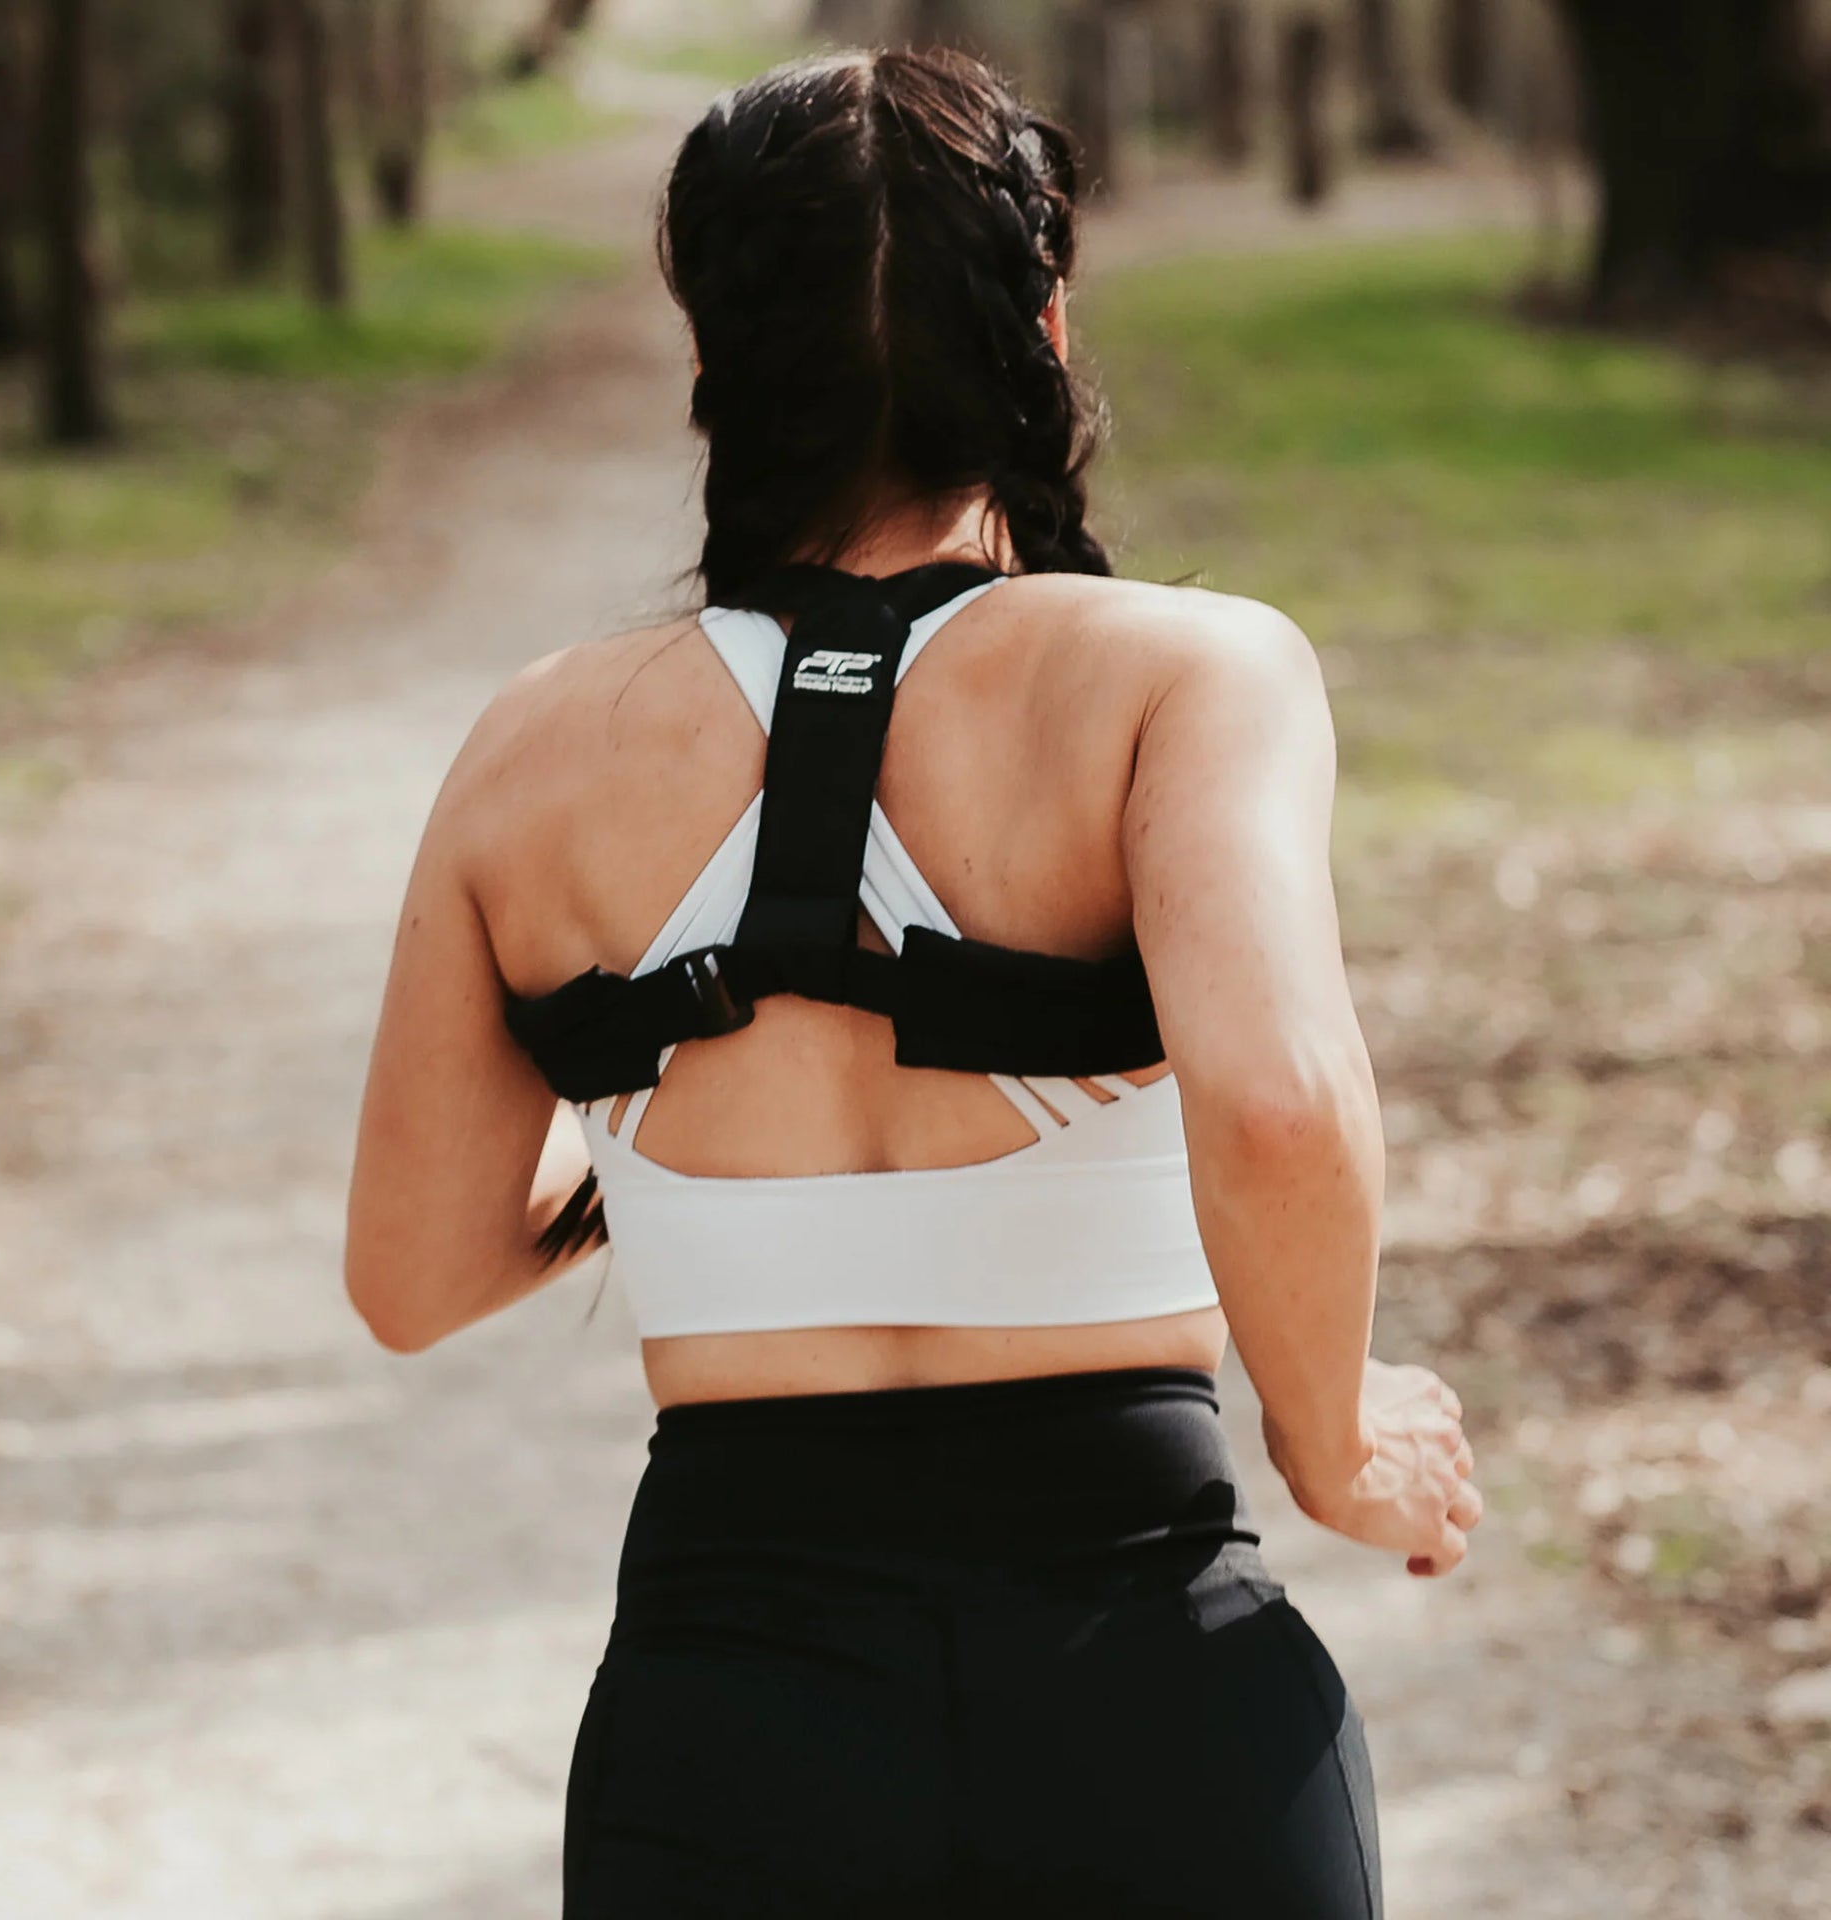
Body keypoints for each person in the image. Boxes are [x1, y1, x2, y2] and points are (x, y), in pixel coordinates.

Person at [345, 45, 1480, 1920]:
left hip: (729, 1719)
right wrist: (1333, 1436)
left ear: (717, 364)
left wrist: (677, 1133)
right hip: (1148, 1691)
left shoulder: (533, 746)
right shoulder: (1185, 675)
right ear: (1044, 328)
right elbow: (1279, 1106)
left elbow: (412, 1270)